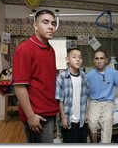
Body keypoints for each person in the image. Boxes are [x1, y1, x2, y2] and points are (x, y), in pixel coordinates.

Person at [12, 9, 58, 143]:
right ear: (35, 25)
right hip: (37, 115)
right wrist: (30, 116)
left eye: (53, 23)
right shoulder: (25, 49)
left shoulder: (51, 49)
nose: (51, 26)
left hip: (50, 112)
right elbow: (19, 86)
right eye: (45, 22)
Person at [87, 49, 118, 143]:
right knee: (92, 122)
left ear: (106, 60)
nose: (99, 61)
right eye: (97, 58)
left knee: (107, 120)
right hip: (94, 102)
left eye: (102, 58)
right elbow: (84, 92)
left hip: (108, 102)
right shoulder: (89, 76)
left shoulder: (113, 73)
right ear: (94, 60)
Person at [55, 48, 89, 143]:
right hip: (68, 118)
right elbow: (60, 100)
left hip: (81, 118)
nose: (78, 59)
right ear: (67, 59)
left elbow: (85, 97)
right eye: (74, 57)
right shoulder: (62, 78)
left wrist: (86, 113)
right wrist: (63, 117)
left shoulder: (84, 77)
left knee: (82, 141)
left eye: (80, 57)